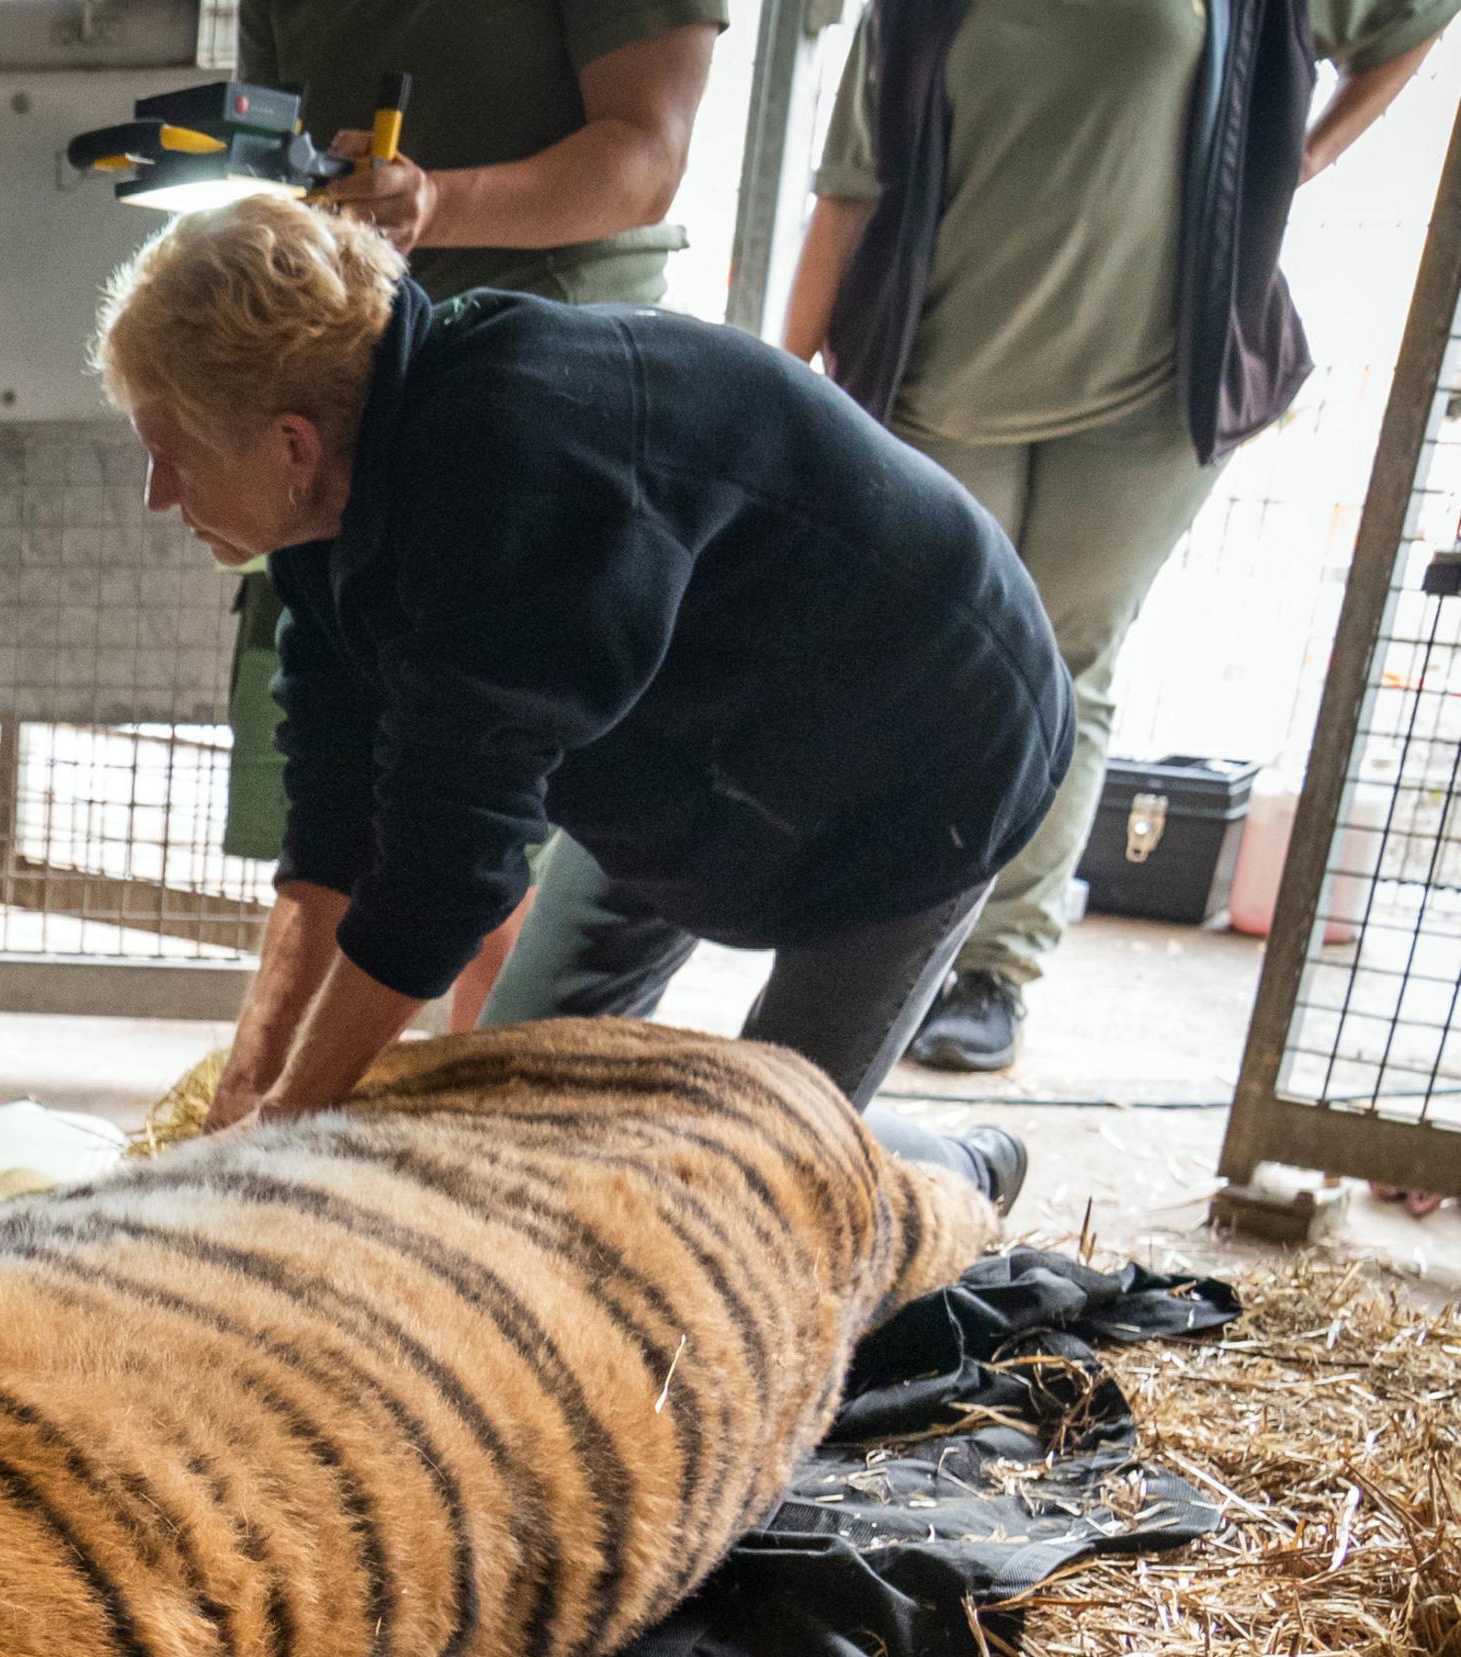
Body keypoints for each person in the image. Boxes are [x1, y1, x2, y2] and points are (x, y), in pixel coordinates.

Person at [95, 192, 1051, 1200]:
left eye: (174, 456)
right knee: (516, 1112)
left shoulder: (508, 476)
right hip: (681, 744)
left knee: (768, 1180)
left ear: (290, 446)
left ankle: (964, 1175)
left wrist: (283, 1127)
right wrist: (250, 1081)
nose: (160, 494)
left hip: (924, 760)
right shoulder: (327, 499)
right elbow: (339, 818)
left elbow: (441, 878)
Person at [786, 0, 1452, 1075]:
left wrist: (1307, 155)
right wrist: (783, 385)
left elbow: (1411, 20)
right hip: (937, 383)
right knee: (928, 674)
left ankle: (995, 971)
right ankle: (875, 953)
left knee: (1066, 666)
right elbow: (846, 199)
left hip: (1148, 399)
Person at [228, 0, 726, 1026]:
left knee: (491, 827)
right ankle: (309, 1108)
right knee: (341, 782)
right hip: (352, 376)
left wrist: (439, 204)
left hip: (551, 401)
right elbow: (270, 135)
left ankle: (482, 1100)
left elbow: (647, 153)